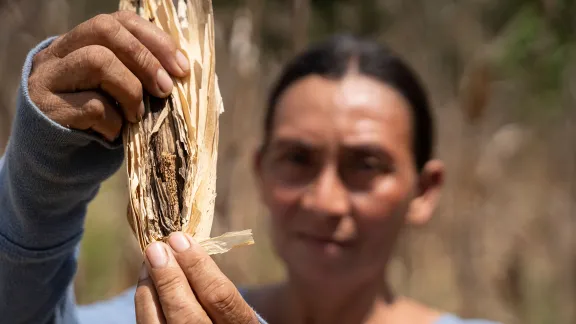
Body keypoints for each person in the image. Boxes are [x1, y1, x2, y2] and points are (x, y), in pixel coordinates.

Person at [0, 10, 499, 324]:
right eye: (297, 159)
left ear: (424, 191)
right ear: (260, 171)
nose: (324, 201)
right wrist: (40, 182)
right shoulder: (150, 312)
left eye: (366, 165)